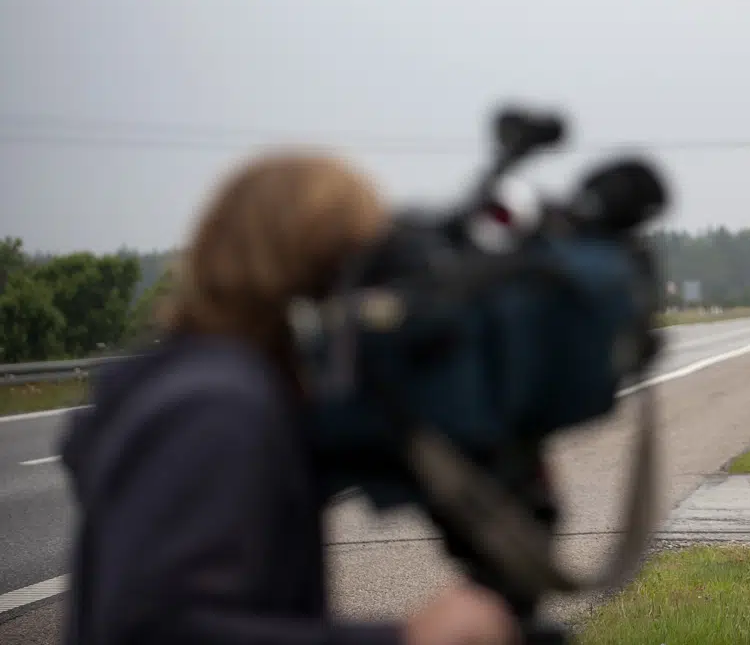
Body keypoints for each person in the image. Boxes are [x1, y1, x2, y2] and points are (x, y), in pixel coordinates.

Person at [59, 152, 521, 645]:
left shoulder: (222, 385)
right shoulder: (219, 407)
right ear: (318, 267)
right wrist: (405, 640)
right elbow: (155, 630)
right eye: (360, 263)